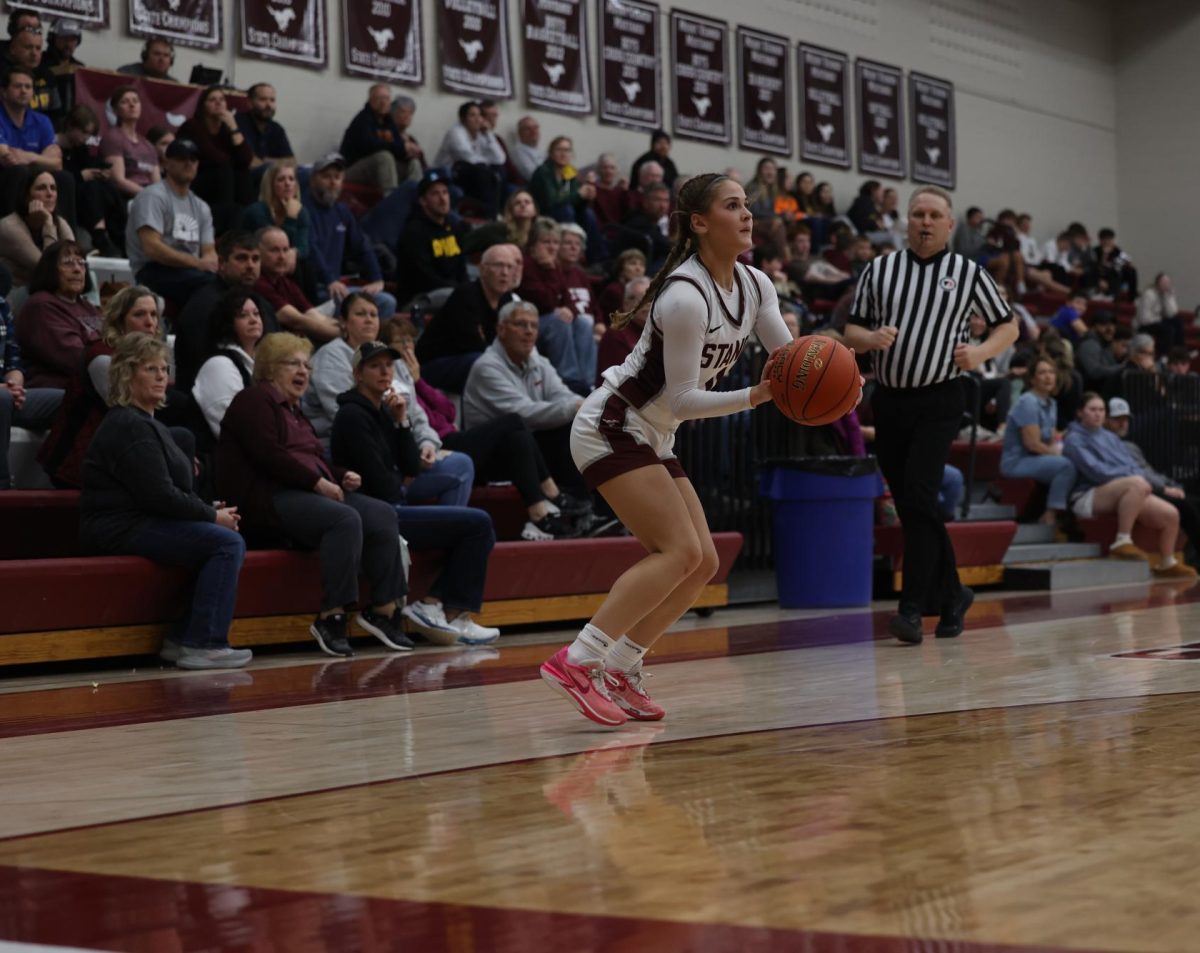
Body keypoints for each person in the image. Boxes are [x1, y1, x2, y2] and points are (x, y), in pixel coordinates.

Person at [538, 172, 794, 727]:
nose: (748, 214)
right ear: (700, 223)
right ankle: (577, 660)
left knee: (703, 560)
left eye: (747, 204)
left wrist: (833, 376)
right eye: (733, 206)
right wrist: (756, 395)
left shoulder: (756, 286)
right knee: (676, 553)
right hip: (612, 424)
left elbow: (791, 362)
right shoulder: (684, 296)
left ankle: (623, 665)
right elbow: (680, 400)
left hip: (651, 431)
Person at [845, 185, 1018, 645]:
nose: (925, 221)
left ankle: (911, 607)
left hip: (941, 398)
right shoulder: (879, 269)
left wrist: (980, 352)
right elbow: (851, 328)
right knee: (912, 506)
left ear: (949, 224)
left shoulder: (968, 272)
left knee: (920, 495)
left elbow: (1009, 324)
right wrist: (869, 340)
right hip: (890, 401)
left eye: (934, 215)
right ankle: (954, 592)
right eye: (917, 214)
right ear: (907, 220)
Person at [216, 331, 409, 658]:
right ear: (268, 368)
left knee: (381, 513)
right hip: (268, 498)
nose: (303, 371)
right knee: (345, 518)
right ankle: (331, 616)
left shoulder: (295, 409)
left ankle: (384, 610)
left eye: (306, 365)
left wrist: (337, 475)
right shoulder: (254, 400)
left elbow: (312, 458)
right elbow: (270, 455)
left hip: (306, 493)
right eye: (293, 363)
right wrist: (318, 483)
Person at [81, 333, 249, 668]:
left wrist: (208, 510)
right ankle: (204, 642)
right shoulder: (129, 423)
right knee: (226, 544)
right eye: (150, 369)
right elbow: (157, 496)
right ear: (127, 375)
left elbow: (167, 493)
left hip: (141, 520)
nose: (162, 376)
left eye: (164, 368)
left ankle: (180, 638)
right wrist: (211, 518)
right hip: (120, 526)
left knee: (221, 539)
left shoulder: (147, 422)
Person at [331, 341, 500, 646]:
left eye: (388, 365)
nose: (384, 371)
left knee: (477, 525)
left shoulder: (382, 410)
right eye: (375, 366)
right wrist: (400, 479)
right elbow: (384, 484)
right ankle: (437, 605)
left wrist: (402, 420)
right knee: (477, 524)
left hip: (393, 504)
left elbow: (412, 466)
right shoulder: (352, 416)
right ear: (357, 374)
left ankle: (446, 610)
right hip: (378, 513)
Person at [382, 316, 580, 540]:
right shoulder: (393, 378)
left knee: (517, 438)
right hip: (439, 447)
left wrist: (419, 382)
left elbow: (449, 411)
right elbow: (416, 420)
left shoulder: (415, 378)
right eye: (400, 342)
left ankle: (539, 516)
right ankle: (552, 493)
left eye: (410, 341)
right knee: (513, 421)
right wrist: (413, 384)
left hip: (454, 438)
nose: (408, 347)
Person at [304, 292, 474, 506]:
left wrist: (427, 443)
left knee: (461, 465)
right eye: (361, 314)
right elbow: (345, 418)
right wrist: (403, 448)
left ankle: (437, 533)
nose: (369, 319)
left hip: (400, 450)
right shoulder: (331, 357)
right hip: (354, 458)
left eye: (374, 314)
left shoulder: (393, 360)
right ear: (344, 322)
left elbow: (416, 413)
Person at [37, 285, 159, 488]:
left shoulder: (151, 359)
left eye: (154, 315)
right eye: (140, 315)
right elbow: (133, 418)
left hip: (117, 455)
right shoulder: (103, 359)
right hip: (80, 464)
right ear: (120, 322)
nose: (150, 323)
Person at [1062, 392, 1192, 576]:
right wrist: (1130, 478)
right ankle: (1122, 540)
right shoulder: (1074, 439)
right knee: (1136, 483)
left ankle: (1166, 561)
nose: (1098, 414)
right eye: (1092, 409)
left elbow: (1132, 466)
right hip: (1088, 495)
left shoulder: (1110, 437)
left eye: (1101, 410)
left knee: (1170, 514)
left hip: (1123, 489)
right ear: (1080, 413)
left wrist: (1134, 478)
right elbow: (1096, 472)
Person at [463, 300, 586, 495]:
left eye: (534, 325)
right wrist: (576, 407)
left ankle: (593, 504)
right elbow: (524, 414)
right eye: (521, 324)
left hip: (530, 446)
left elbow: (561, 394)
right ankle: (577, 502)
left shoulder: (539, 361)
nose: (529, 331)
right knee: (569, 428)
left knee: (580, 418)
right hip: (495, 456)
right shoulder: (486, 368)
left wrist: (582, 406)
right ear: (501, 329)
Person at [1105, 396, 1200, 573]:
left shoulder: (1131, 445)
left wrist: (1173, 484)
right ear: (1107, 421)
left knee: (1193, 501)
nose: (1122, 423)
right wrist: (1164, 488)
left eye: (1125, 419)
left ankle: (1191, 558)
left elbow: (1150, 471)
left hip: (1152, 485)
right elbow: (1136, 475)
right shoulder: (1108, 445)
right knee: (1186, 506)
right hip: (1139, 489)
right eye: (1117, 419)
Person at [173, 231, 278, 391]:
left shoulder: (264, 305)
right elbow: (202, 361)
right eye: (242, 258)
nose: (250, 265)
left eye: (255, 259)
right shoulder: (203, 305)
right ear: (221, 262)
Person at [415, 242, 521, 391]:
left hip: (472, 361)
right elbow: (473, 344)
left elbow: (507, 341)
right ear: (483, 269)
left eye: (509, 267)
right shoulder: (466, 295)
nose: (504, 272)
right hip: (434, 365)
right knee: (484, 362)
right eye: (498, 265)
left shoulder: (507, 300)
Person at [302, 151, 396, 319]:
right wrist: (330, 280)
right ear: (313, 179)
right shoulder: (303, 210)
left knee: (386, 301)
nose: (332, 182)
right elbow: (311, 249)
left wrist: (377, 278)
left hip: (337, 288)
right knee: (375, 304)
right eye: (326, 177)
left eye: (337, 177)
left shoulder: (342, 211)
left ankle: (370, 344)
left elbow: (362, 246)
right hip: (317, 288)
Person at [125, 138, 217, 308]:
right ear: (166, 164)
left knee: (230, 285)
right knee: (211, 286)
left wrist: (210, 264)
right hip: (152, 270)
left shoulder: (201, 206)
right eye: (182, 159)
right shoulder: (152, 197)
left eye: (193, 159)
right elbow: (151, 248)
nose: (188, 163)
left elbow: (209, 250)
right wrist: (198, 263)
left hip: (189, 272)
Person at [517, 217, 596, 394]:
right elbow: (547, 302)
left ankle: (588, 383)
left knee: (583, 322)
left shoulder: (553, 265)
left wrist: (569, 309)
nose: (552, 247)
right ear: (533, 245)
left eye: (555, 242)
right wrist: (551, 271)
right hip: (529, 324)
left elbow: (570, 302)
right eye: (546, 242)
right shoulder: (527, 266)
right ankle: (569, 379)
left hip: (548, 322)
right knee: (558, 320)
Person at [999, 356, 1077, 527]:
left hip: (1036, 458)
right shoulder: (1028, 402)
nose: (1048, 377)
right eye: (1042, 373)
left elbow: (1049, 438)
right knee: (1066, 466)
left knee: (1076, 460)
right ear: (1033, 379)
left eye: (1051, 372)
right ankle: (1050, 514)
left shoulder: (1051, 403)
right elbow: (1032, 444)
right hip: (1017, 461)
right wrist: (1056, 452)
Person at [13, 239, 99, 388]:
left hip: (91, 385)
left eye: (81, 263)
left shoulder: (88, 306)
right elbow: (74, 359)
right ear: (50, 269)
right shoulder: (41, 305)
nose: (77, 269)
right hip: (56, 389)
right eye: (68, 263)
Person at [0, 290, 60, 489]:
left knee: (70, 400)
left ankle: (68, 481)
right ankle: (3, 487)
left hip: (9, 393)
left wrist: (14, 384)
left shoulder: (1, 303)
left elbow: (13, 357)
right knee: (1, 399)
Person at [178, 86, 253, 234]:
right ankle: (224, 222)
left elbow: (245, 160)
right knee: (223, 169)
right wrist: (233, 160)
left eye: (222, 100)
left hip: (222, 182)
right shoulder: (192, 126)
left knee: (243, 173)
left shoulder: (226, 130)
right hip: (195, 179)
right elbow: (212, 157)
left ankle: (245, 224)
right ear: (202, 106)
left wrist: (233, 127)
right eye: (212, 100)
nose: (218, 103)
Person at [191, 290, 262, 440]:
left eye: (256, 314)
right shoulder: (218, 365)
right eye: (243, 315)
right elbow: (231, 427)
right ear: (227, 323)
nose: (253, 320)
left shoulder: (258, 362)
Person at [395, 168, 469, 306]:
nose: (442, 199)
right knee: (460, 299)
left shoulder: (455, 227)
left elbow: (462, 269)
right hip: (420, 298)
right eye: (435, 194)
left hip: (451, 292)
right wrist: (460, 291)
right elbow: (424, 277)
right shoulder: (413, 232)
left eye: (445, 192)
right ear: (423, 201)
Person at [254, 225, 340, 343]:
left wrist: (348, 328)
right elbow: (298, 321)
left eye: (285, 250)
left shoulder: (285, 282)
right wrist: (346, 336)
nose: (282, 257)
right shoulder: (258, 283)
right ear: (258, 252)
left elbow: (316, 316)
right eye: (274, 250)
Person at [57, 103, 121, 256]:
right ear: (71, 125)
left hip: (83, 195)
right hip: (66, 193)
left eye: (89, 135)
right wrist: (81, 176)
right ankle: (99, 236)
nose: (86, 138)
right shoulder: (53, 145)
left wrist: (101, 173)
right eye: (83, 132)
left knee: (109, 188)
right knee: (91, 188)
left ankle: (118, 236)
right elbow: (60, 176)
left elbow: (91, 165)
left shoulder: (81, 149)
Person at [0, 166, 72, 286]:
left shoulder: (60, 222)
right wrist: (48, 223)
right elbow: (48, 270)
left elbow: (75, 260)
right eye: (41, 188)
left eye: (53, 188)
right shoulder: (8, 227)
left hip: (45, 290)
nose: (50, 194)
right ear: (26, 196)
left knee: (89, 276)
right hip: (17, 295)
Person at [433, 100, 505, 217]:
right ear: (463, 119)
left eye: (479, 115)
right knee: (483, 171)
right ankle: (488, 214)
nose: (477, 119)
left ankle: (494, 213)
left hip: (472, 174)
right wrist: (486, 163)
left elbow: (500, 159)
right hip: (447, 174)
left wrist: (488, 133)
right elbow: (468, 158)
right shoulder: (456, 132)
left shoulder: (481, 135)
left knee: (499, 170)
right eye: (472, 115)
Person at [339, 83, 413, 193]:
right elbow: (369, 146)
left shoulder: (389, 122)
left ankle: (416, 198)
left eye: (386, 99)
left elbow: (400, 149)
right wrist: (401, 147)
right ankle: (390, 200)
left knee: (413, 163)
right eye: (379, 98)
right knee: (384, 156)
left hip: (377, 169)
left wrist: (408, 150)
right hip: (352, 169)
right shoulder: (362, 119)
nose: (383, 102)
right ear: (370, 100)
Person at [239, 158, 311, 258]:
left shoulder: (301, 212)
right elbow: (275, 246)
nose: (288, 184)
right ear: (270, 185)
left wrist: (293, 253)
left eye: (291, 179)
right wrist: (290, 218)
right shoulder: (256, 211)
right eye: (281, 179)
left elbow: (304, 249)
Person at [596, 275, 650, 382]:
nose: (649, 304)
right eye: (643, 299)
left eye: (653, 298)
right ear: (626, 304)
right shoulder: (616, 335)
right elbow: (623, 380)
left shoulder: (658, 331)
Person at [235, 83, 294, 171]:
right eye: (263, 99)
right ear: (250, 103)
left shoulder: (276, 128)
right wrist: (277, 162)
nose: (269, 105)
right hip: (244, 176)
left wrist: (265, 161)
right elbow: (249, 162)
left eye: (272, 100)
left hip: (271, 176)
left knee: (305, 173)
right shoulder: (238, 122)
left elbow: (292, 162)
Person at [461, 188, 536, 256]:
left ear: (535, 211)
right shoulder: (497, 229)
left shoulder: (538, 233)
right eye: (517, 203)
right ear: (511, 210)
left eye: (527, 202)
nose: (523, 205)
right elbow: (466, 243)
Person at [1136, 273, 1185, 355]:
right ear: (1157, 283)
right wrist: (1159, 319)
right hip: (1145, 324)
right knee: (1168, 329)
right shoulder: (1149, 294)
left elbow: (1172, 313)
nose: (1166, 285)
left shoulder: (1164, 295)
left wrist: (1169, 297)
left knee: (1178, 322)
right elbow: (1143, 318)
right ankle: (1164, 355)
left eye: (1168, 283)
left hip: (1157, 321)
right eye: (1164, 282)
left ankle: (1179, 352)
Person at [510, 115, 541, 183]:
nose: (533, 131)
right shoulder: (518, 151)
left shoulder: (542, 151)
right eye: (528, 128)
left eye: (535, 128)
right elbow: (533, 176)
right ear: (519, 133)